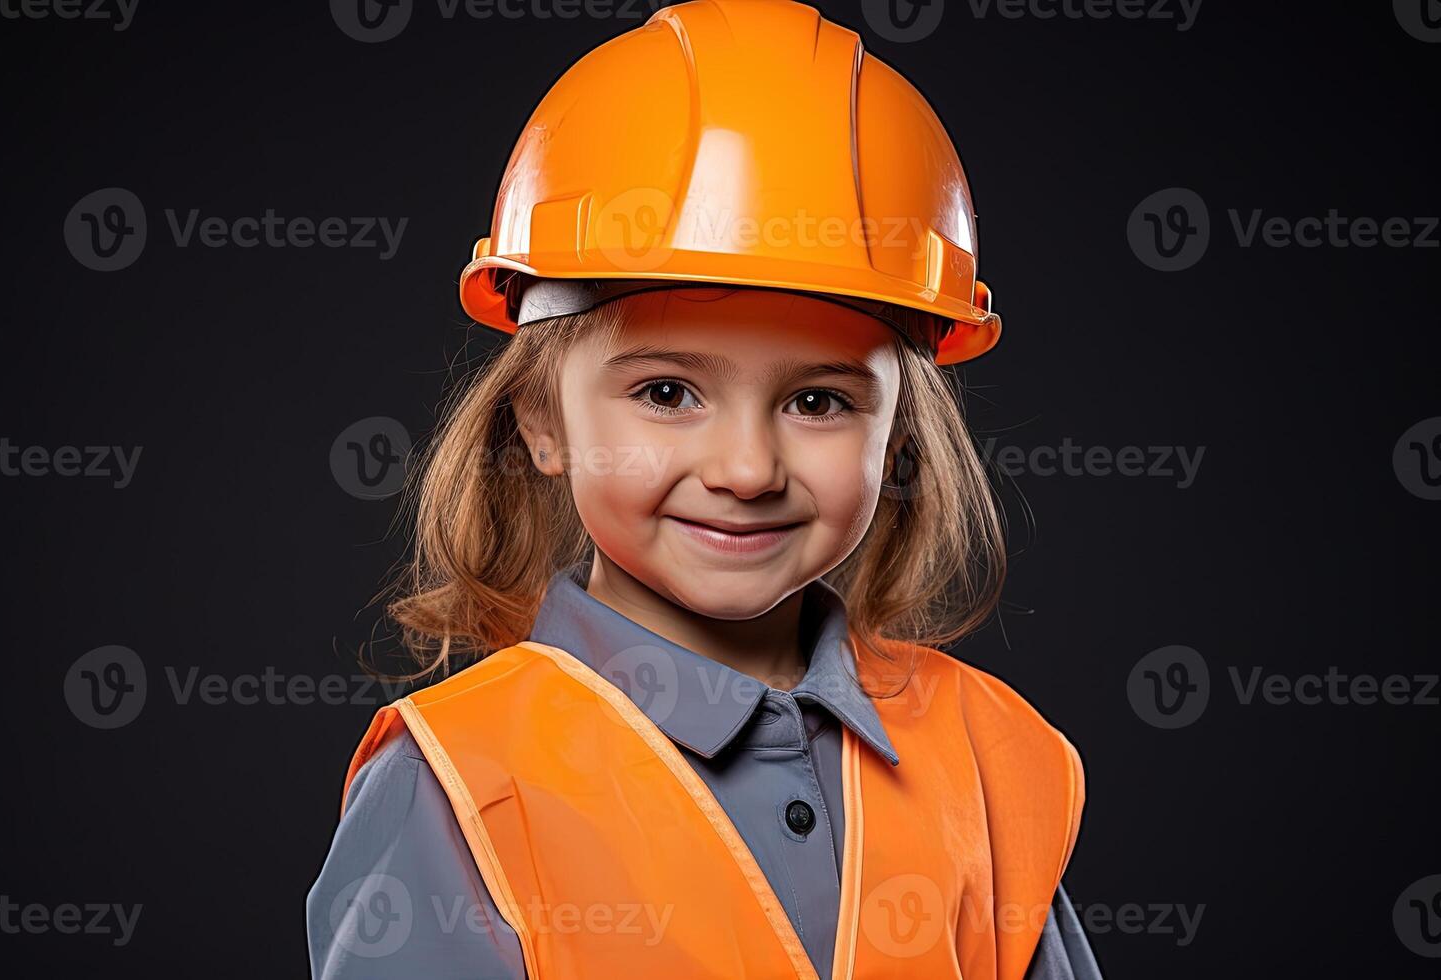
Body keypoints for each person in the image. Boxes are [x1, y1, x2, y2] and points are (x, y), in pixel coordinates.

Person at [308, 2, 1101, 977]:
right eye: (668, 391)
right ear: (543, 423)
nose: (746, 468)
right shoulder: (461, 786)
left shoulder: (991, 761)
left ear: (898, 433)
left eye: (818, 399)